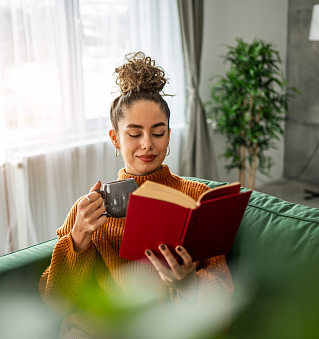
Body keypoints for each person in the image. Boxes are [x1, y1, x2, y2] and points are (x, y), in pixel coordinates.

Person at [39, 52, 233, 338]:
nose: (147, 145)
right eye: (134, 134)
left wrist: (188, 285)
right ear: (115, 138)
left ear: (168, 136)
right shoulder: (89, 210)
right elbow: (55, 299)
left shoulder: (197, 196)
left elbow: (221, 293)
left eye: (158, 132)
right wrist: (78, 239)